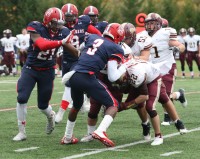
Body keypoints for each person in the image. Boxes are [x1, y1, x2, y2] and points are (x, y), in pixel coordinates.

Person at [12, 7, 78, 141]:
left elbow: (75, 53)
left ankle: (50, 116)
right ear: (47, 21)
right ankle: (22, 131)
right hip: (31, 68)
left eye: (60, 23)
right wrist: (61, 42)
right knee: (22, 97)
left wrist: (77, 49)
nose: (58, 26)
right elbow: (42, 45)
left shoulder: (63, 32)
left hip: (47, 71)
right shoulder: (36, 28)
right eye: (55, 23)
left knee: (42, 105)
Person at [80, 23, 151, 143]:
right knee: (94, 107)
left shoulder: (125, 49)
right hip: (103, 76)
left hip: (121, 79)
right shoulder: (102, 42)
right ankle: (91, 133)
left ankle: (145, 124)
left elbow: (127, 66)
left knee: (134, 104)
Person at [61, 23, 126, 147]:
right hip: (87, 76)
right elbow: (113, 77)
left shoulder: (92, 38)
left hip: (74, 74)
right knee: (113, 104)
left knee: (76, 105)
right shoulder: (115, 48)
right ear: (118, 36)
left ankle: (67, 137)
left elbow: (81, 51)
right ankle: (101, 131)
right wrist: (125, 66)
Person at [55, 3, 102, 123]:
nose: (69, 19)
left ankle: (61, 112)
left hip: (79, 59)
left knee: (70, 83)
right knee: (70, 84)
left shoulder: (83, 22)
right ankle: (80, 104)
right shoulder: (60, 27)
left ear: (76, 16)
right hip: (66, 59)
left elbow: (97, 33)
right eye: (67, 16)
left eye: (71, 16)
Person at [143, 13, 188, 133]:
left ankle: (175, 118)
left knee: (165, 97)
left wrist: (180, 47)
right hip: (152, 69)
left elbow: (178, 44)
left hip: (166, 66)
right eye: (148, 23)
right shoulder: (142, 36)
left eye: (152, 23)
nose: (149, 25)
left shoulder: (165, 33)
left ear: (159, 24)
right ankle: (178, 95)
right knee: (153, 96)